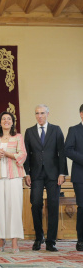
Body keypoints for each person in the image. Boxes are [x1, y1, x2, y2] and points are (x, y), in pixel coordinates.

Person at [24, 104, 67, 252]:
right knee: (35, 204)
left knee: (53, 205)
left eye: (42, 113)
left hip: (53, 175)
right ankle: (38, 237)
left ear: (48, 114)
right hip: (36, 174)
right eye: (37, 113)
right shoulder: (29, 132)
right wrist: (27, 173)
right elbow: (26, 155)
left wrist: (62, 173)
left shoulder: (56, 130)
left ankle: (51, 241)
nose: (39, 116)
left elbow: (62, 153)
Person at [0, 111, 26, 253]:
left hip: (14, 176)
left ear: (12, 122)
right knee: (0, 208)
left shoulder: (18, 137)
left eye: (9, 119)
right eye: (3, 119)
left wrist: (8, 154)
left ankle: (15, 241)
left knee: (14, 207)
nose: (6, 121)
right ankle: (2, 239)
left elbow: (23, 154)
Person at [64, 104, 83, 251]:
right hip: (80, 176)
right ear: (81, 114)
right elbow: (67, 150)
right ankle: (81, 240)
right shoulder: (74, 130)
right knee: (82, 207)